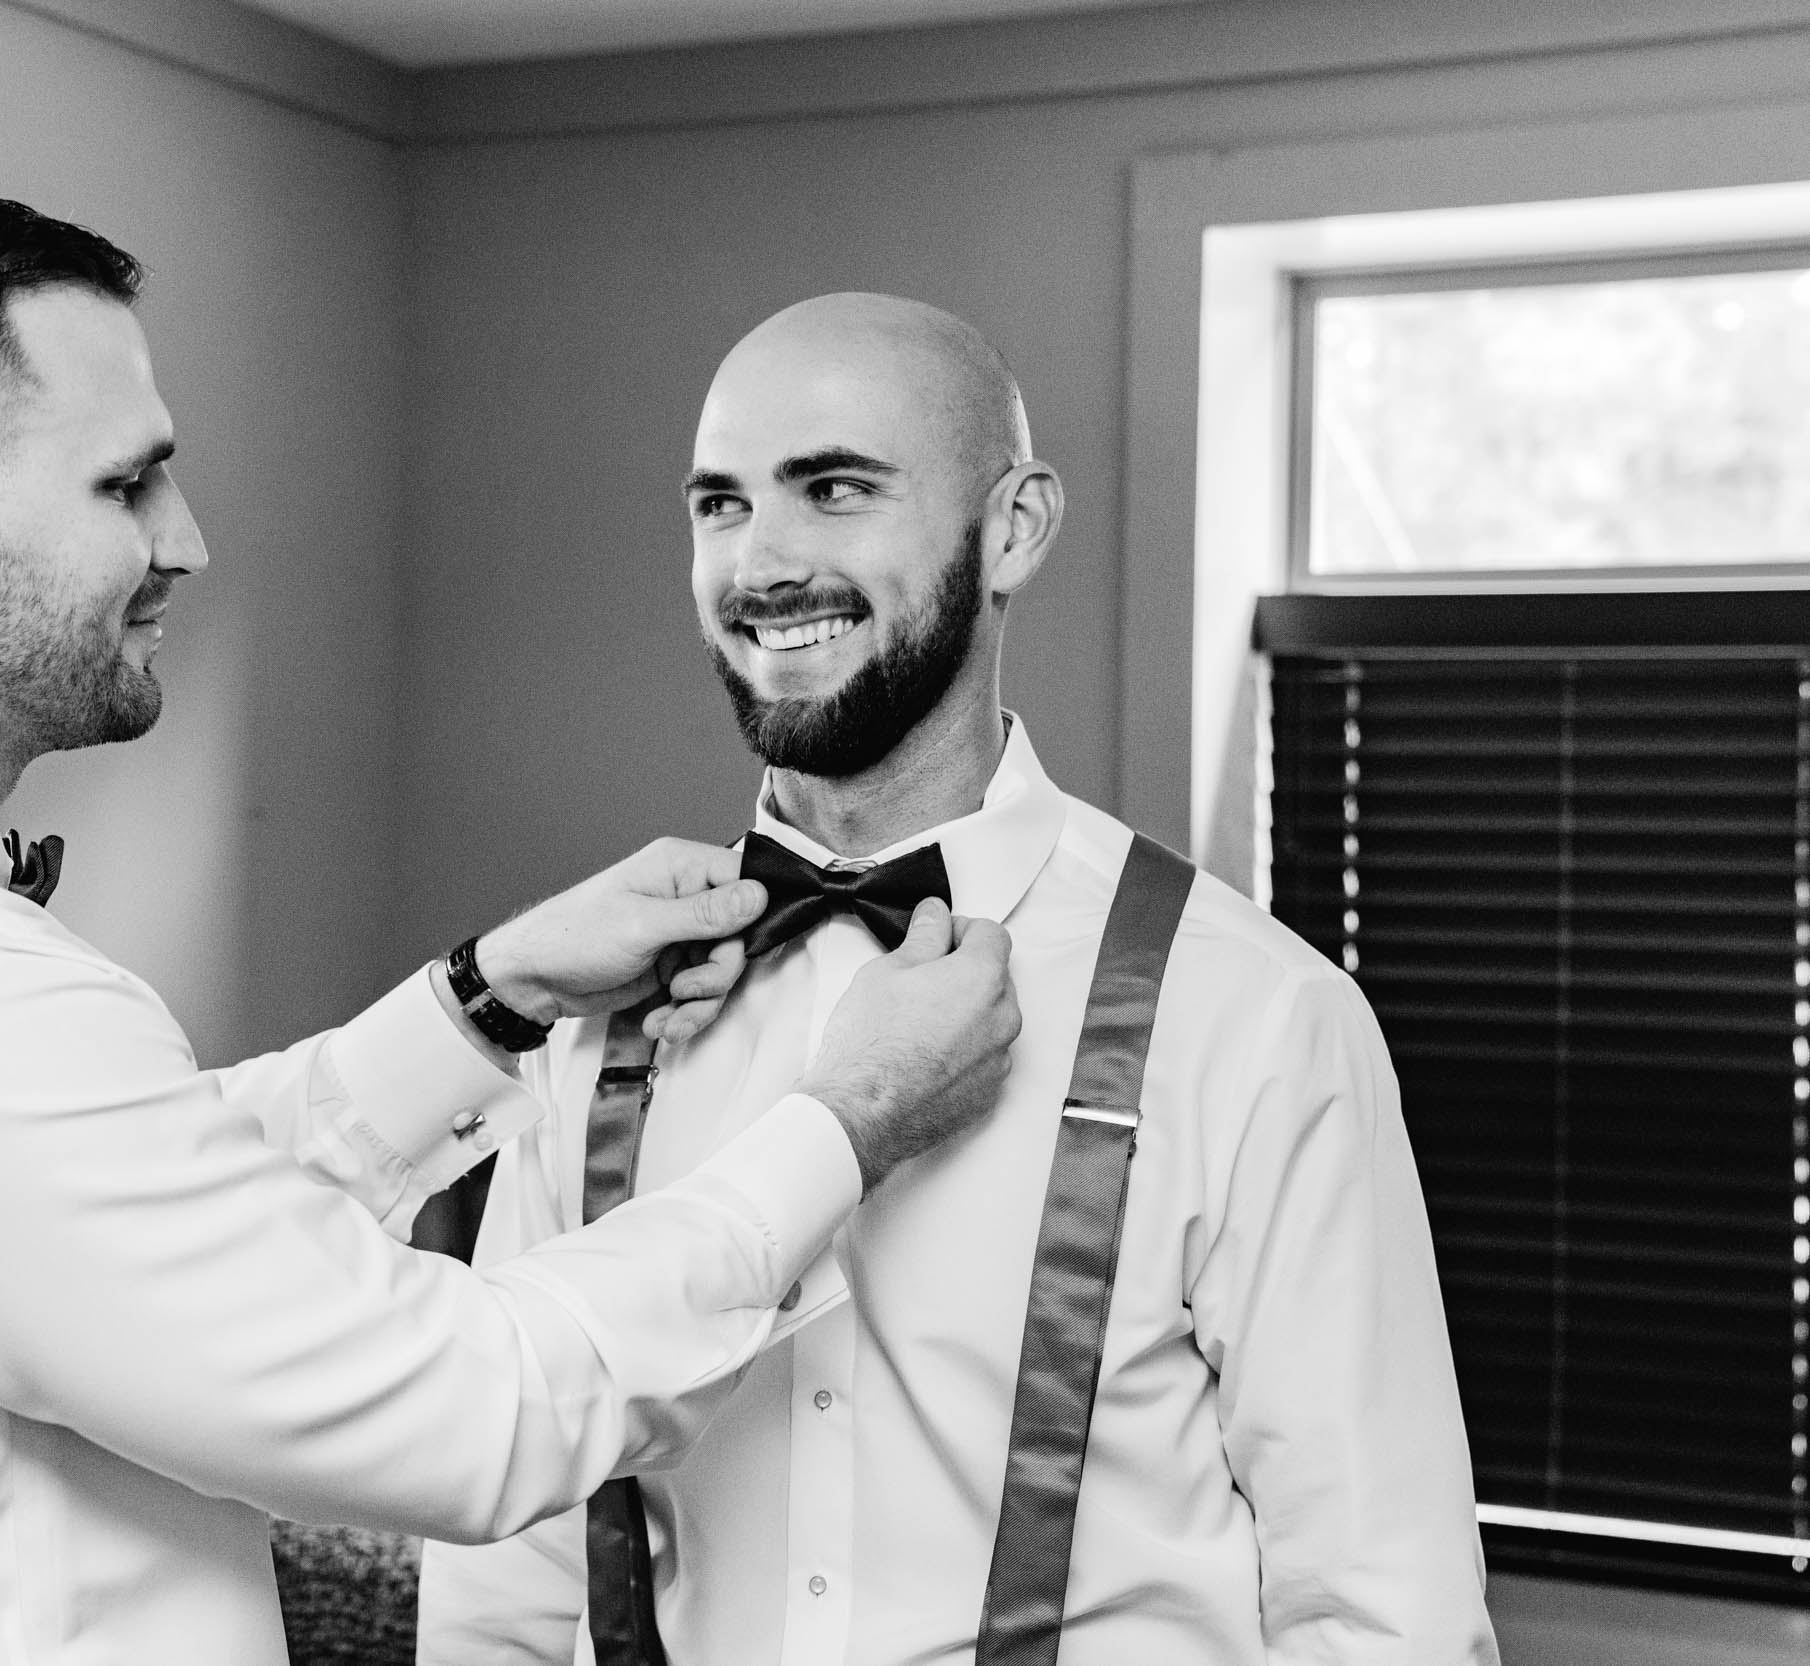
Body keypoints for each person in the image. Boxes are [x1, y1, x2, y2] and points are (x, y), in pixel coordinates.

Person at [0, 190, 1025, 1665]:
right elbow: (473, 1410)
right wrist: (847, 1118)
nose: (187, 544)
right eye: (125, 485)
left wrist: (480, 1001)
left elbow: (91, 1195)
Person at [417, 294, 1499, 1664]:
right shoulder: (601, 1009)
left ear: (1012, 528)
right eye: (719, 504)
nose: (761, 559)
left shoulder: (1253, 1015)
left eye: (834, 489)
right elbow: (500, 1570)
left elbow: (1381, 1607)